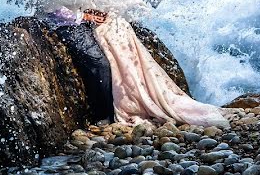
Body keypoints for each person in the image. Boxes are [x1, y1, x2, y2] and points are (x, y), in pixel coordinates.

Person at [91, 12, 229, 128]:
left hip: (108, 18)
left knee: (121, 45)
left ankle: (138, 98)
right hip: (106, 18)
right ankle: (139, 95)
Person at [42, 6, 114, 124]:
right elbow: (50, 6)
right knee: (101, 65)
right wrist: (83, 16)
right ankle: (105, 115)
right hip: (66, 24)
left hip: (85, 21)